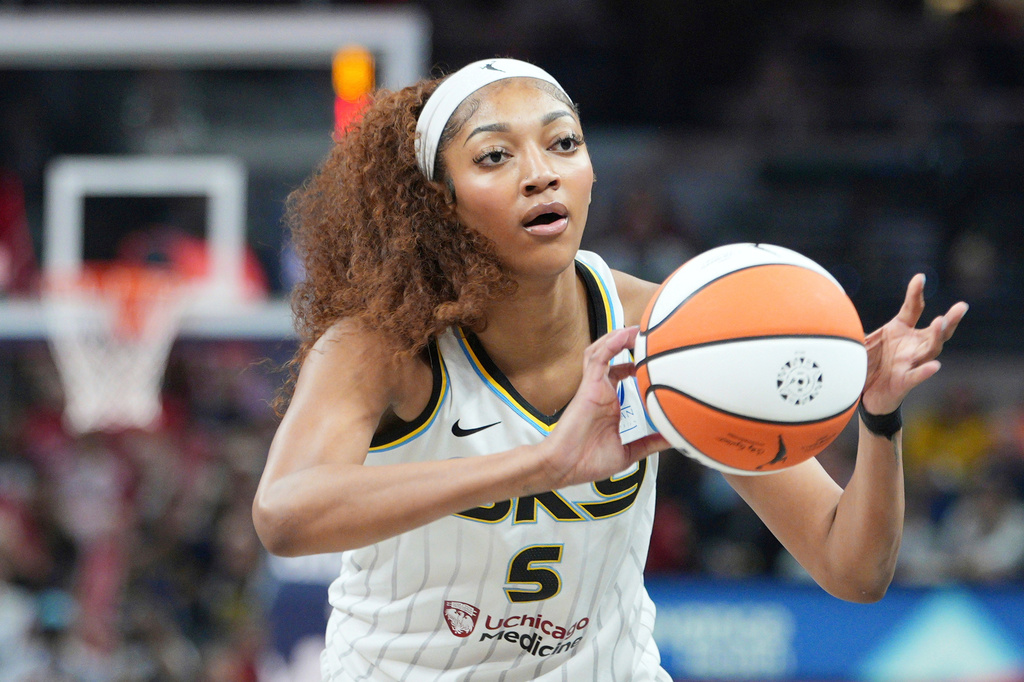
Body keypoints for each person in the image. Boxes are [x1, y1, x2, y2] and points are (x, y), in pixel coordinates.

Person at [252, 58, 969, 681]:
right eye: (495, 156)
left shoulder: (673, 331)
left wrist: (878, 418)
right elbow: (284, 515)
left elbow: (852, 569)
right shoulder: (381, 344)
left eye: (563, 143)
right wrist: (542, 465)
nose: (541, 174)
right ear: (438, 203)